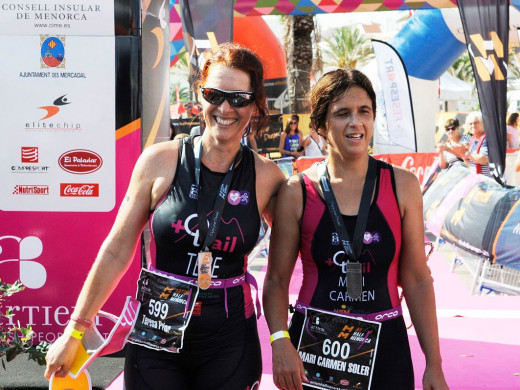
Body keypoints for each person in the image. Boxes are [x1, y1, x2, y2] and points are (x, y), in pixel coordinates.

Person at [44, 42, 286, 390]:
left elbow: (303, 254)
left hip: (229, 339)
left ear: (255, 104)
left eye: (238, 98)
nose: (225, 108)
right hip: (158, 331)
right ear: (199, 96)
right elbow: (116, 249)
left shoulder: (268, 178)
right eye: (214, 94)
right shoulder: (159, 160)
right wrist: (75, 330)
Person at [263, 68, 448, 390]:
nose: (355, 123)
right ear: (319, 125)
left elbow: (417, 278)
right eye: (342, 113)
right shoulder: (297, 191)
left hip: (386, 347)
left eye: (364, 112)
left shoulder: (402, 186)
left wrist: (434, 363)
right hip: (314, 349)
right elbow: (277, 279)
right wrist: (280, 342)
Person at [459, 111, 492, 178]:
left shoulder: (487, 138)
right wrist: (463, 155)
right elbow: (470, 163)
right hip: (476, 180)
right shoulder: (473, 139)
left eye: (476, 123)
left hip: (487, 182)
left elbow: (482, 159)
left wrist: (466, 153)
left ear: (483, 123)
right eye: (470, 124)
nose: (473, 126)